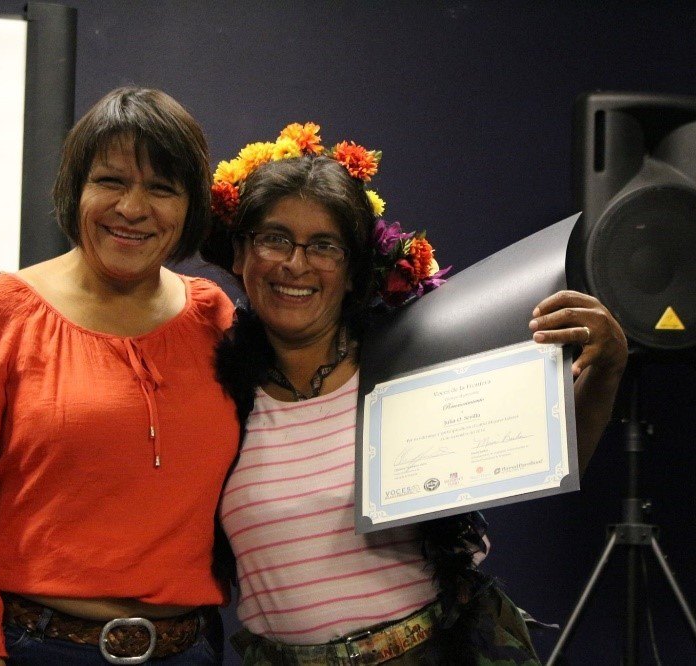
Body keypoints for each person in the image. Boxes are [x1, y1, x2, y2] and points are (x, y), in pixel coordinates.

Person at [201, 124, 628, 664]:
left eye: (324, 246)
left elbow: (553, 462)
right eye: (274, 238)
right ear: (241, 254)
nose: (296, 263)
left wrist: (607, 372)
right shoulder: (214, 394)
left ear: (355, 271)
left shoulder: (410, 364)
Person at [0, 88, 239, 665]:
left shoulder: (214, 319)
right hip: (33, 649)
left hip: (189, 650)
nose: (132, 207)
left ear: (190, 207)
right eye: (111, 181)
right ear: (76, 188)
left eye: (161, 188)